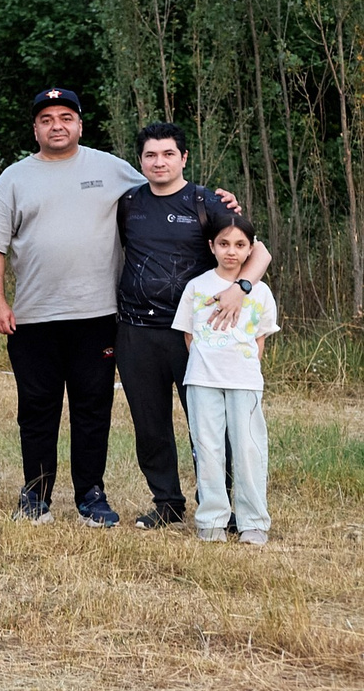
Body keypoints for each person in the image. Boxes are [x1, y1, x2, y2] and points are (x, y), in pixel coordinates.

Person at [0, 89, 142, 527]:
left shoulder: (111, 169)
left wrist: (217, 207)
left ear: (80, 125)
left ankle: (91, 494)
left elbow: (163, 196)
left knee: (92, 407)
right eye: (46, 119)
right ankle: (36, 494)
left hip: (98, 315)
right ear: (35, 129)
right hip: (33, 318)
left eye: (66, 117)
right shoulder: (14, 177)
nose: (57, 125)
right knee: (37, 407)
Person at [118, 121, 272, 530]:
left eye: (168, 153)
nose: (159, 162)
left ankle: (218, 507)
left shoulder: (207, 202)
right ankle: (166, 502)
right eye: (150, 155)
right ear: (141, 161)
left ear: (184, 157)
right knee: (150, 426)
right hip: (137, 329)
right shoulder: (129, 202)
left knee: (209, 426)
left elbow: (261, 253)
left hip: (197, 334)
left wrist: (241, 288)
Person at [174, 213, 275, 546]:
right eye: (224, 244)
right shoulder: (197, 287)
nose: (231, 251)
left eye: (240, 245)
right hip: (203, 379)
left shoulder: (259, 292)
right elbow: (189, 336)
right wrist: (207, 364)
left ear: (250, 250)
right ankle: (212, 520)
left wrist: (242, 368)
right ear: (212, 247)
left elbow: (260, 339)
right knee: (208, 448)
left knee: (248, 449)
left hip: (244, 380)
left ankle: (253, 522)